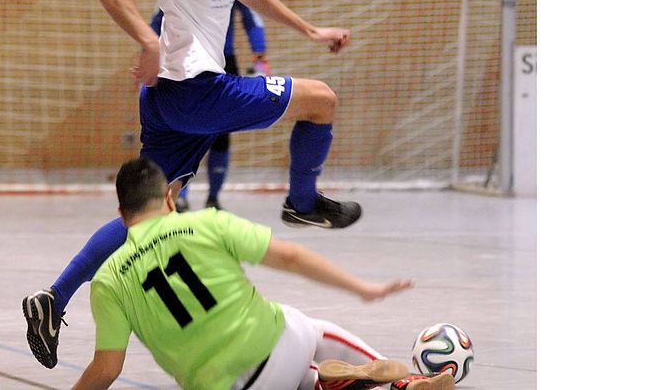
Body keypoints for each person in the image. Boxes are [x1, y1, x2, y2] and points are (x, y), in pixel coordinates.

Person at [24, 0, 363, 370]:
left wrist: (312, 31)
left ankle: (53, 299)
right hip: (196, 93)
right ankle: (301, 201)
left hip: (172, 101)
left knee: (152, 210)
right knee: (321, 101)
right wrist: (148, 41)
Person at [68, 158, 452, 390]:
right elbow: (290, 256)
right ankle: (402, 382)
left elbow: (106, 370)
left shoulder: (108, 281)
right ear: (169, 198)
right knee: (308, 328)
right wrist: (362, 288)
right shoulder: (205, 223)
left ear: (121, 216)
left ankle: (322, 381)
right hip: (280, 349)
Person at [150, 1, 269, 211]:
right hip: (185, 60)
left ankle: (213, 198)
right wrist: (148, 53)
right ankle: (180, 196)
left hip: (223, 60)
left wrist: (259, 54)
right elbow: (160, 17)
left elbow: (252, 16)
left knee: (221, 132)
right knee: (183, 131)